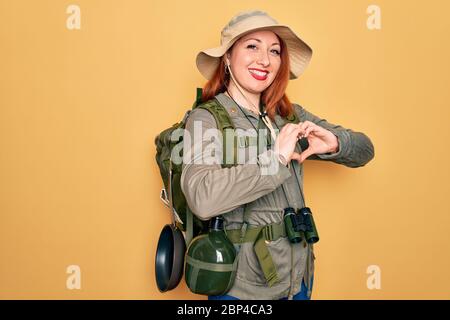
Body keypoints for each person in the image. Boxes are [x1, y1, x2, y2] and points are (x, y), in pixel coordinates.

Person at [180, 10, 375, 300]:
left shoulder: (289, 116)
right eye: (252, 46)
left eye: (274, 51)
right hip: (242, 290)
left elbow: (365, 149)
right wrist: (276, 160)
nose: (265, 59)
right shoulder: (206, 119)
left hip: (299, 281)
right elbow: (202, 199)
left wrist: (334, 143)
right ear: (228, 58)